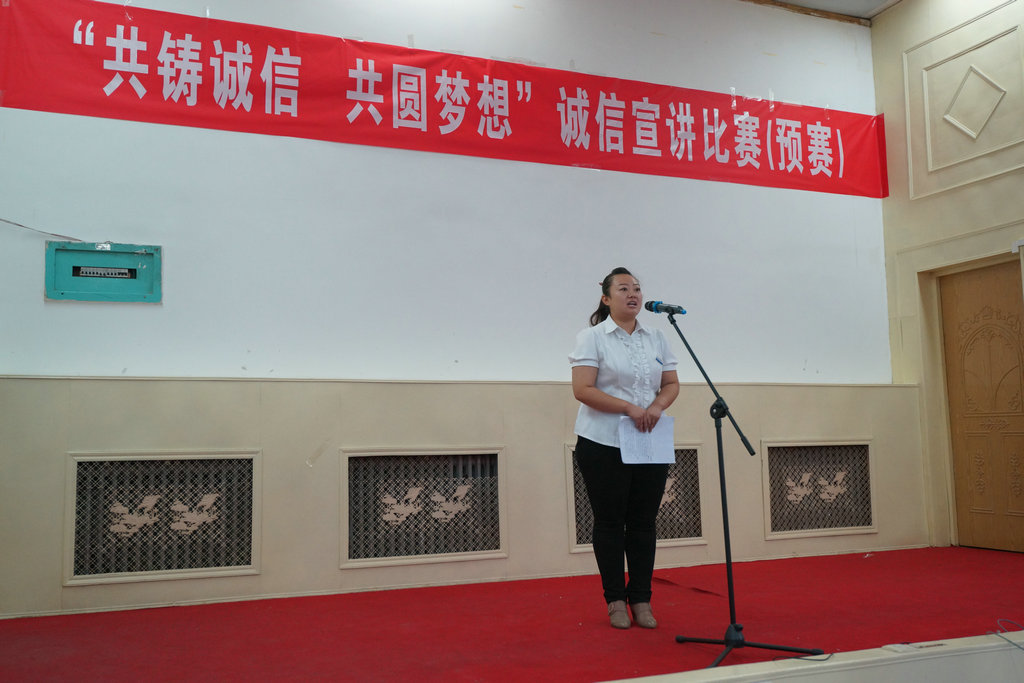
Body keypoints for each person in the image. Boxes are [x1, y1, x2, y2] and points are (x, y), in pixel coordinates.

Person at [569, 267, 680, 629]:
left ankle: (642, 599)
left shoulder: (657, 337)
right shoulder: (592, 337)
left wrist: (657, 406)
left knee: (644, 523)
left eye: (636, 288)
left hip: (648, 440)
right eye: (623, 289)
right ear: (606, 298)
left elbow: (671, 383)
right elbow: (583, 389)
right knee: (610, 522)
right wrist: (629, 408)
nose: (633, 294)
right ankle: (615, 599)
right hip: (603, 442)